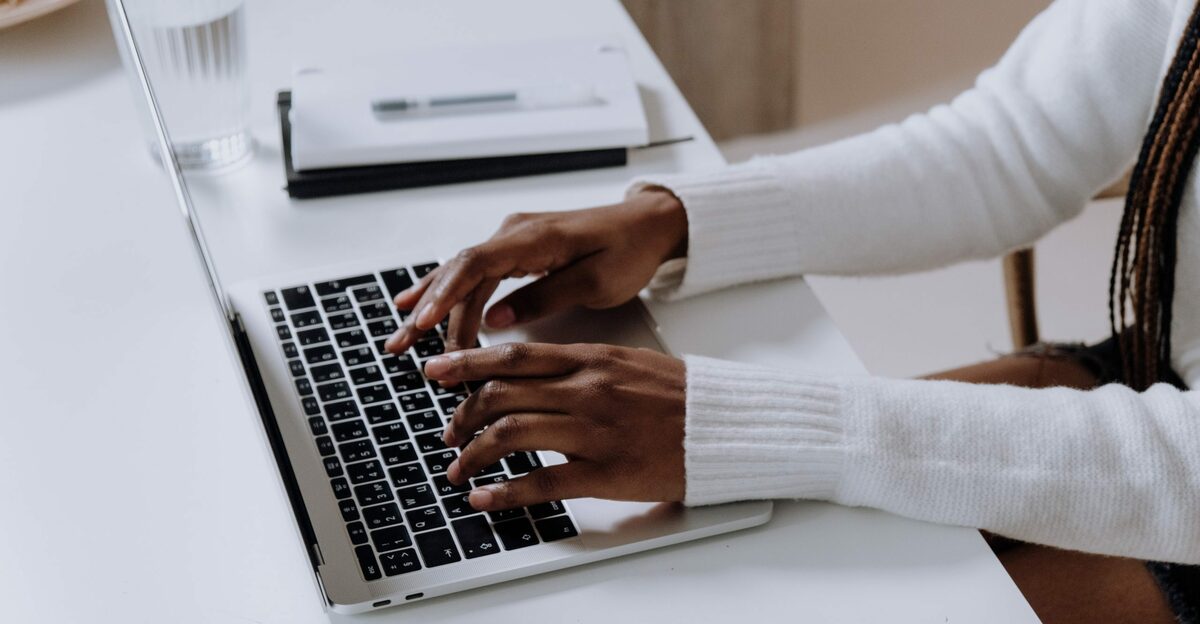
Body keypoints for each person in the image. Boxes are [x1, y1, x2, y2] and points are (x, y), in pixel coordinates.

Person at [384, 1, 1200, 621]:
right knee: (690, 561)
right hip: (1157, 373)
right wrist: (674, 219)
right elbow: (1018, 141)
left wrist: (743, 425)